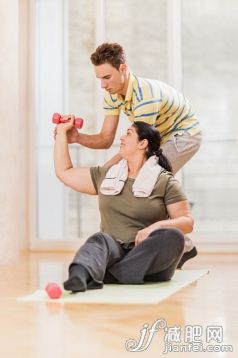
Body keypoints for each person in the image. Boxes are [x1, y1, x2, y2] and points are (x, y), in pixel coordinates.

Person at [55, 42, 200, 262]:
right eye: (99, 79)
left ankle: (182, 245)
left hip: (183, 135)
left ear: (123, 69)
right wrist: (77, 138)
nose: (103, 85)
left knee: (148, 177)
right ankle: (180, 244)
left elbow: (138, 148)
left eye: (107, 77)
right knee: (137, 178)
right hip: (160, 135)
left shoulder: (145, 97)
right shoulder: (112, 95)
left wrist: (104, 174)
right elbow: (105, 139)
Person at [54, 118, 194, 292]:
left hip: (148, 257)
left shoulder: (165, 181)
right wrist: (61, 133)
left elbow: (187, 222)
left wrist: (156, 227)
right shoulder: (105, 176)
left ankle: (107, 275)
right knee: (100, 239)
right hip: (114, 251)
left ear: (143, 143)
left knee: (174, 236)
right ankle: (79, 276)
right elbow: (64, 172)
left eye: (128, 134)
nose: (121, 138)